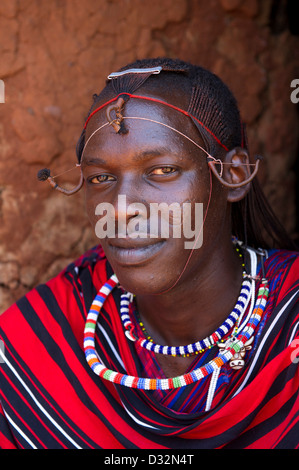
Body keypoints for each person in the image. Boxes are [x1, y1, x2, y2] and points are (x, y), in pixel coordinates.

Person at [0, 57, 298, 450]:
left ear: (234, 175)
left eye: (161, 171)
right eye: (100, 178)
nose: (121, 207)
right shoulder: (41, 341)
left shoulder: (288, 324)